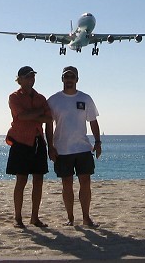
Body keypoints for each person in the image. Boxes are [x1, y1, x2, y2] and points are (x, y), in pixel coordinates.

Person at [46, 66, 101, 227]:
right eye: (66, 76)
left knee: (85, 182)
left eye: (72, 76)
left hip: (83, 148)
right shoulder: (54, 100)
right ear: (62, 79)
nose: (69, 79)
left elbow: (93, 121)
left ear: (77, 79)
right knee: (67, 184)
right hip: (62, 149)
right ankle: (70, 218)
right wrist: (50, 146)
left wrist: (98, 142)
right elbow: (48, 126)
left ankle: (86, 217)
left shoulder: (85, 98)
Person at [6, 66, 52, 228]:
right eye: (28, 77)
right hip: (21, 142)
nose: (31, 79)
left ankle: (34, 217)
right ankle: (18, 217)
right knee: (21, 180)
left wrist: (34, 115)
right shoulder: (14, 97)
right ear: (20, 79)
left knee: (38, 180)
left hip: (38, 141)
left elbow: (48, 118)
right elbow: (21, 116)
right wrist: (37, 114)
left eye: (32, 77)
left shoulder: (40, 97)